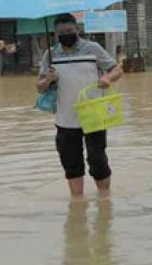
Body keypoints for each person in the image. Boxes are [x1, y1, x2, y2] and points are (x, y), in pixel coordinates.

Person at [36, 13, 123, 196]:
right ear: (55, 34)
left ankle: (105, 201)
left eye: (69, 30)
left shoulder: (92, 49)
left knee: (98, 161)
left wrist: (107, 78)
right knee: (71, 164)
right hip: (65, 119)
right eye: (61, 32)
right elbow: (40, 87)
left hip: (94, 117)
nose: (66, 34)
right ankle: (77, 204)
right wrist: (48, 80)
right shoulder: (51, 55)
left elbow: (116, 69)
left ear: (77, 29)